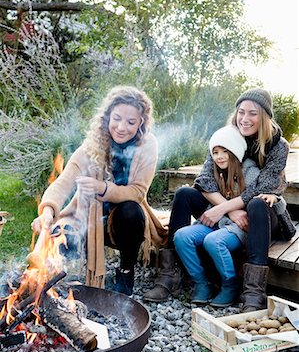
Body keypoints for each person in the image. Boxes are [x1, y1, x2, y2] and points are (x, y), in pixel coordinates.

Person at [143, 88, 295, 310]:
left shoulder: (278, 146)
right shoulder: (226, 137)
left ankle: (253, 292)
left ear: (264, 116)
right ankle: (169, 275)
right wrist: (228, 210)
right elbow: (204, 180)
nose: (245, 119)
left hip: (263, 213)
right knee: (184, 194)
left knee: (257, 203)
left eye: (252, 113)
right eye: (241, 112)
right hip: (230, 207)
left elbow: (263, 188)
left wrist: (221, 210)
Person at [31, 86, 167, 295]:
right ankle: (54, 279)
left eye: (130, 122)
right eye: (117, 118)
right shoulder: (93, 144)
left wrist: (102, 188)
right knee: (59, 234)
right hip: (89, 216)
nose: (122, 127)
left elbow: (137, 192)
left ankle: (125, 271)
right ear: (107, 117)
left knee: (130, 210)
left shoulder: (148, 144)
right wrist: (48, 211)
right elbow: (63, 182)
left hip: (125, 222)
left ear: (141, 123)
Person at [173, 125, 286, 307]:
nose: (219, 156)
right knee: (181, 236)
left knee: (213, 241)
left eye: (225, 151)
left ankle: (230, 284)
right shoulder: (216, 173)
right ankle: (201, 282)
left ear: (236, 151)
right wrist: (226, 210)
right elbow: (202, 185)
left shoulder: (251, 173)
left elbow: (263, 197)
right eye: (215, 152)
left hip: (240, 227)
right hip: (219, 222)